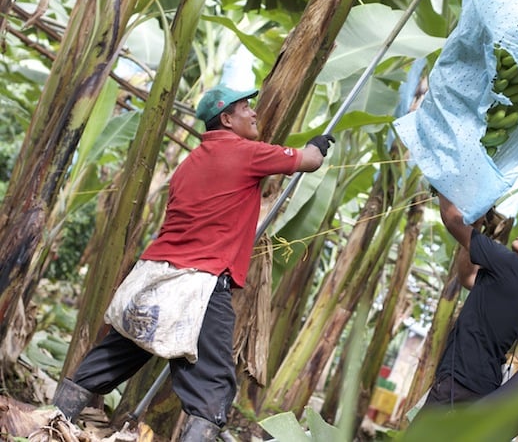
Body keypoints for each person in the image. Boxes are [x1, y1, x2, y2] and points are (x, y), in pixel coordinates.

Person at [50, 84, 335, 440]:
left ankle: (49, 424)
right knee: (212, 384)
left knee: (115, 355)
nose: (254, 112)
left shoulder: (188, 164)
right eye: (246, 106)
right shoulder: (247, 153)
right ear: (227, 119)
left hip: (151, 276)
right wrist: (318, 145)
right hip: (200, 283)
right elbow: (309, 162)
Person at [422, 192, 518, 408]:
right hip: (476, 390)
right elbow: (467, 277)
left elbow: (453, 221)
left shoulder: (513, 268)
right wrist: (478, 223)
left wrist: (443, 185)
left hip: (459, 386)